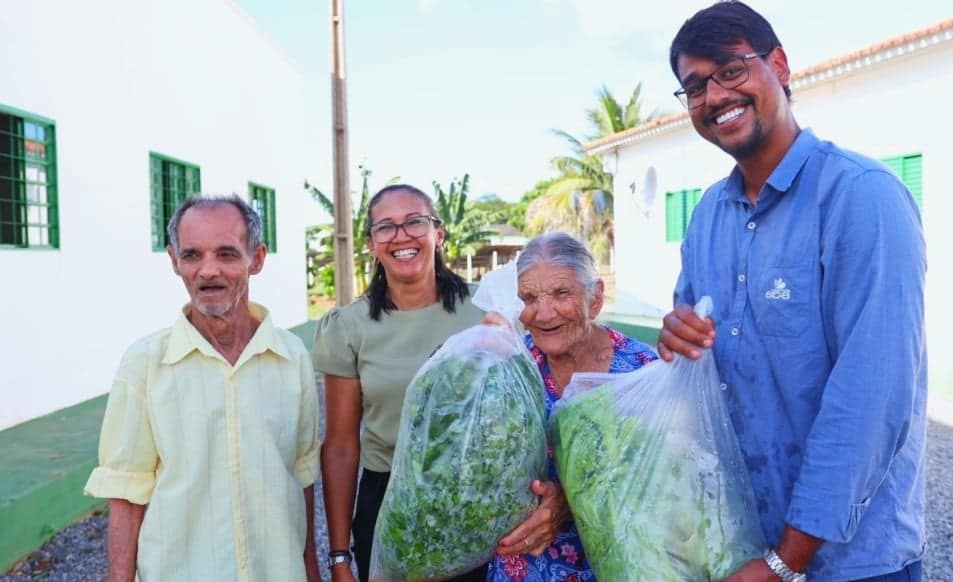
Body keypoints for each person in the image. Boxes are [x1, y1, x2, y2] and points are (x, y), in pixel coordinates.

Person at [659, 2, 927, 580]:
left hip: (853, 562)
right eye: (695, 86)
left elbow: (871, 397)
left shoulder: (861, 197)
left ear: (778, 66)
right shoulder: (708, 215)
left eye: (731, 70)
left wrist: (786, 562)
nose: (713, 96)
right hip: (739, 548)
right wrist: (675, 341)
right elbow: (700, 368)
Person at [84, 194, 321, 581]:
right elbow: (126, 493)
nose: (208, 270)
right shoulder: (144, 363)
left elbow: (301, 476)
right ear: (174, 261)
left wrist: (310, 570)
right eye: (192, 255)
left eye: (227, 254)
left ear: (256, 259)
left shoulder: (292, 357)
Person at [313, 184, 490, 582]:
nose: (402, 236)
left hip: (479, 499)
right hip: (390, 501)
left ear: (438, 234)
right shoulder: (348, 327)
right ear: (372, 244)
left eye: (415, 222)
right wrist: (339, 557)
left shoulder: (488, 311)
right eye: (386, 227)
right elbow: (341, 446)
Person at [489, 231, 657, 582]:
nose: (544, 313)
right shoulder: (511, 368)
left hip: (625, 567)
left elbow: (669, 482)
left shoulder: (643, 370)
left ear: (595, 299)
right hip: (528, 569)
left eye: (561, 293)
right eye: (529, 298)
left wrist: (571, 500)